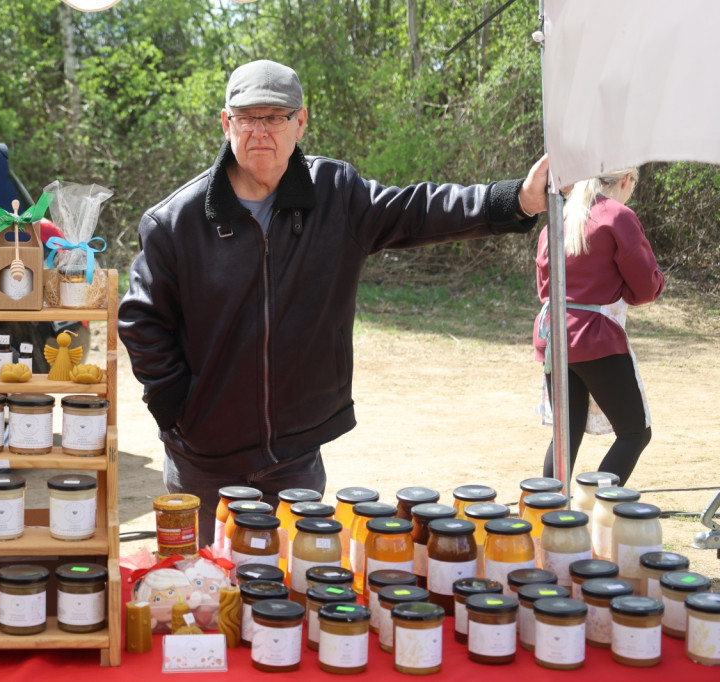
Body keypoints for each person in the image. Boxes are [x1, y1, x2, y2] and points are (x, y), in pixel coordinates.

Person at [118, 59, 551, 547]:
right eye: (247, 117)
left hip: (295, 456)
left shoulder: (336, 195)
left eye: (276, 117)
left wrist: (517, 199)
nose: (261, 131)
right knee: (197, 593)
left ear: (300, 122)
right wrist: (182, 409)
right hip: (203, 462)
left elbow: (418, 211)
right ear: (226, 123)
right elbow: (141, 320)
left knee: (292, 590)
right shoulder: (176, 222)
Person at [533, 168, 664, 486]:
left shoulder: (559, 215)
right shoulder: (618, 216)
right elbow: (646, 287)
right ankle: (596, 508)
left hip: (555, 336)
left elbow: (543, 288)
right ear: (625, 180)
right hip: (595, 337)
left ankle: (546, 518)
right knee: (634, 433)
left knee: (566, 436)